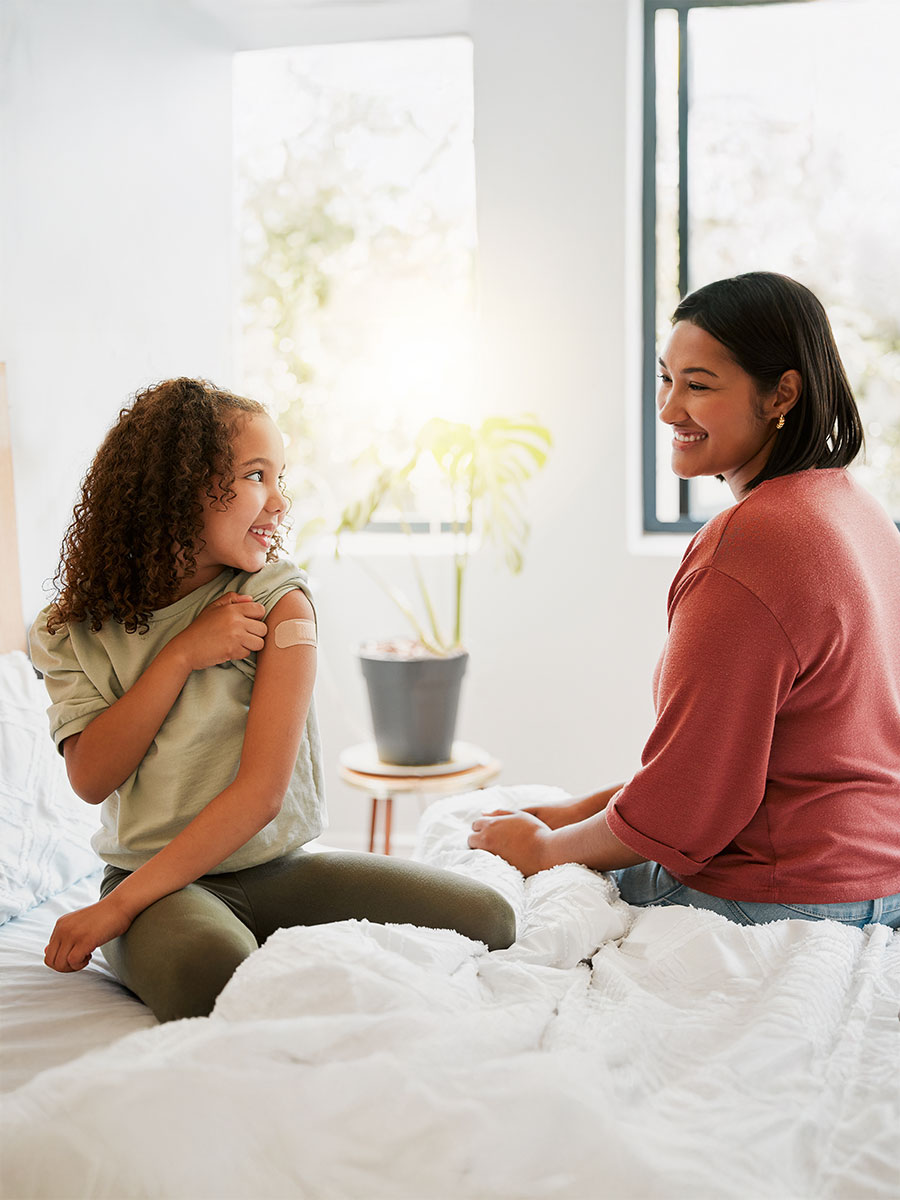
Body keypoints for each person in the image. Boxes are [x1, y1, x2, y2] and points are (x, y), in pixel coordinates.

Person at [31, 378, 515, 1022]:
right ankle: (185, 934)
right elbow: (92, 778)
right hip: (153, 884)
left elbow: (262, 794)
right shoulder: (72, 630)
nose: (279, 502)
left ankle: (239, 928)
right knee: (214, 978)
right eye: (256, 475)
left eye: (279, 475)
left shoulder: (280, 601)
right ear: (178, 489)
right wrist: (180, 656)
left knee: (489, 917)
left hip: (274, 869)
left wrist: (115, 912)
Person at [470, 271, 900, 929]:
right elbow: (739, 759)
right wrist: (567, 813)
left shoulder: (750, 541)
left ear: (782, 392)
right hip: (878, 881)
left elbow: (691, 804)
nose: (670, 409)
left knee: (497, 895)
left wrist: (544, 849)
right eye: (666, 379)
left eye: (698, 386)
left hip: (783, 894)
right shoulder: (858, 510)